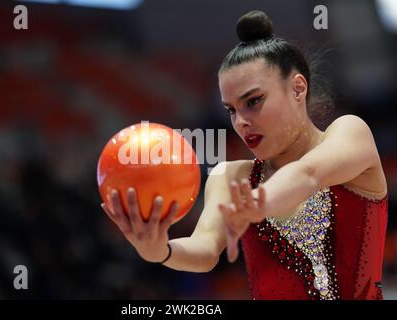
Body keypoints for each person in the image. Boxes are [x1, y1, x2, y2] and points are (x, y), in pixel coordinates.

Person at [101, 10, 388, 300]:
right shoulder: (230, 176)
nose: (240, 122)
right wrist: (160, 251)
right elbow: (205, 250)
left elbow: (307, 174)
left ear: (298, 88)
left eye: (253, 101)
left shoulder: (350, 132)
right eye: (231, 110)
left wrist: (257, 203)